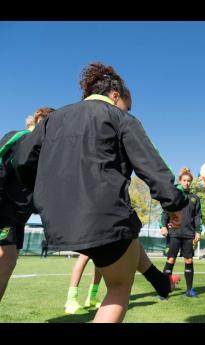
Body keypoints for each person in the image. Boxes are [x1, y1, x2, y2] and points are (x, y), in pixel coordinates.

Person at [13, 62, 188, 323]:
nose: (128, 111)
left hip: (59, 219)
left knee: (128, 237)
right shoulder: (120, 118)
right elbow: (151, 166)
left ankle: (158, 281)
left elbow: (22, 160)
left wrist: (42, 198)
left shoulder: (52, 119)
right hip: (102, 214)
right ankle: (159, 281)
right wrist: (174, 204)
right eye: (128, 105)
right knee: (118, 286)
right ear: (115, 95)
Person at [0, 107, 54, 301]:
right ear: (39, 119)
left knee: (9, 261)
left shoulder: (43, 155)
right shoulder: (19, 137)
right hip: (4, 208)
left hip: (19, 216)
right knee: (5, 257)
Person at [160, 167, 202, 298]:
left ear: (191, 182)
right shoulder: (174, 196)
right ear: (180, 181)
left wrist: (198, 231)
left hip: (189, 234)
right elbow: (165, 212)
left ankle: (189, 290)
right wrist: (163, 226)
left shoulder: (195, 199)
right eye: (184, 180)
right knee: (171, 259)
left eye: (189, 180)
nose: (186, 182)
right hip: (174, 233)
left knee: (188, 260)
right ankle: (163, 290)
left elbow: (197, 216)